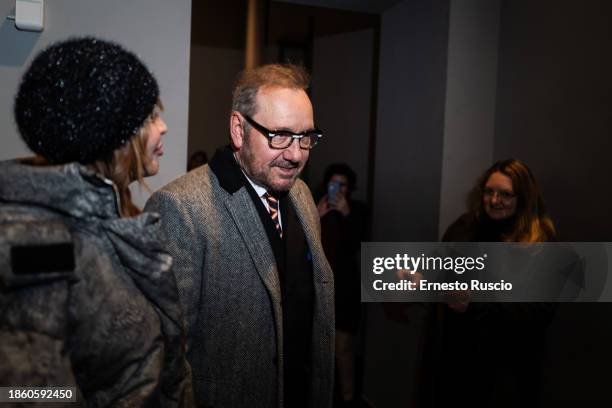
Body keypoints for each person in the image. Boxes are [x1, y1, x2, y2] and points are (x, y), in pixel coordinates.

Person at [0, 37, 193, 407]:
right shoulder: (39, 244)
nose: (164, 126)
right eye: (151, 116)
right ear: (110, 132)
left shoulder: (110, 217)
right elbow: (24, 394)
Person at [145, 64, 334, 408]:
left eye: (305, 137)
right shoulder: (180, 208)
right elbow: (165, 355)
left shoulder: (303, 197)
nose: (295, 154)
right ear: (238, 129)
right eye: (279, 135)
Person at [418, 159, 557, 408]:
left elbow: (538, 312)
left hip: (503, 373)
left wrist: (475, 303)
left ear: (523, 198)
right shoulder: (466, 226)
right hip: (453, 360)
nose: (494, 200)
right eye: (489, 192)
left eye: (505, 194)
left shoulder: (539, 243)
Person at [317, 163, 368, 407]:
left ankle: (348, 398)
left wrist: (347, 215)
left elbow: (359, 245)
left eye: (343, 185)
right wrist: (316, 217)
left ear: (350, 188)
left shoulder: (357, 211)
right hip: (316, 287)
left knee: (343, 348)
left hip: (345, 289)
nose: (337, 189)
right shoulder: (316, 206)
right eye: (333, 183)